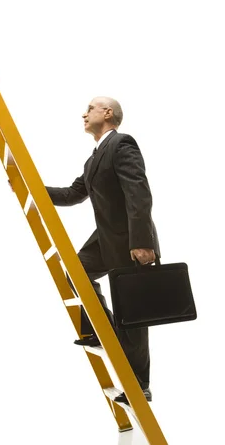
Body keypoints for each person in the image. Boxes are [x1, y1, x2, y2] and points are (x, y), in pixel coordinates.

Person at [44, 96, 160, 405]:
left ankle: (140, 384)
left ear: (107, 113)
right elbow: (73, 193)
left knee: (132, 314)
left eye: (90, 108)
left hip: (131, 239)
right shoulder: (94, 158)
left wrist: (142, 241)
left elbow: (138, 192)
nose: (84, 113)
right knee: (77, 271)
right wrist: (35, 190)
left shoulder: (122, 144)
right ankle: (104, 330)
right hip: (107, 237)